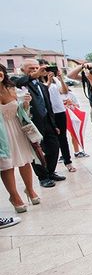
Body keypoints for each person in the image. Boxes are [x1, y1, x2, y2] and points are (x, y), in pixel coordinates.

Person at [13, 59, 63, 187]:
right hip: (33, 123)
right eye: (31, 68)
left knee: (54, 147)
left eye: (37, 67)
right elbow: (18, 82)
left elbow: (49, 106)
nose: (35, 70)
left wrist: (54, 125)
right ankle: (43, 177)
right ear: (23, 70)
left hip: (48, 122)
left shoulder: (41, 86)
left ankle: (50, 172)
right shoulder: (20, 83)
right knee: (37, 151)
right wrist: (34, 75)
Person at [0, 64, 40, 213]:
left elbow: (22, 111)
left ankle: (29, 190)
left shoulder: (11, 89)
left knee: (24, 161)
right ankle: (14, 196)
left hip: (16, 128)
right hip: (1, 133)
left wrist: (25, 103)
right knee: (6, 165)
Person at [44, 67, 76, 173]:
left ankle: (68, 162)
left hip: (60, 112)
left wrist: (60, 78)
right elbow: (44, 91)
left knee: (63, 138)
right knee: (51, 141)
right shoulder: (40, 83)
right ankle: (50, 168)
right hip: (48, 114)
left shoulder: (55, 80)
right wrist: (48, 81)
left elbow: (65, 91)